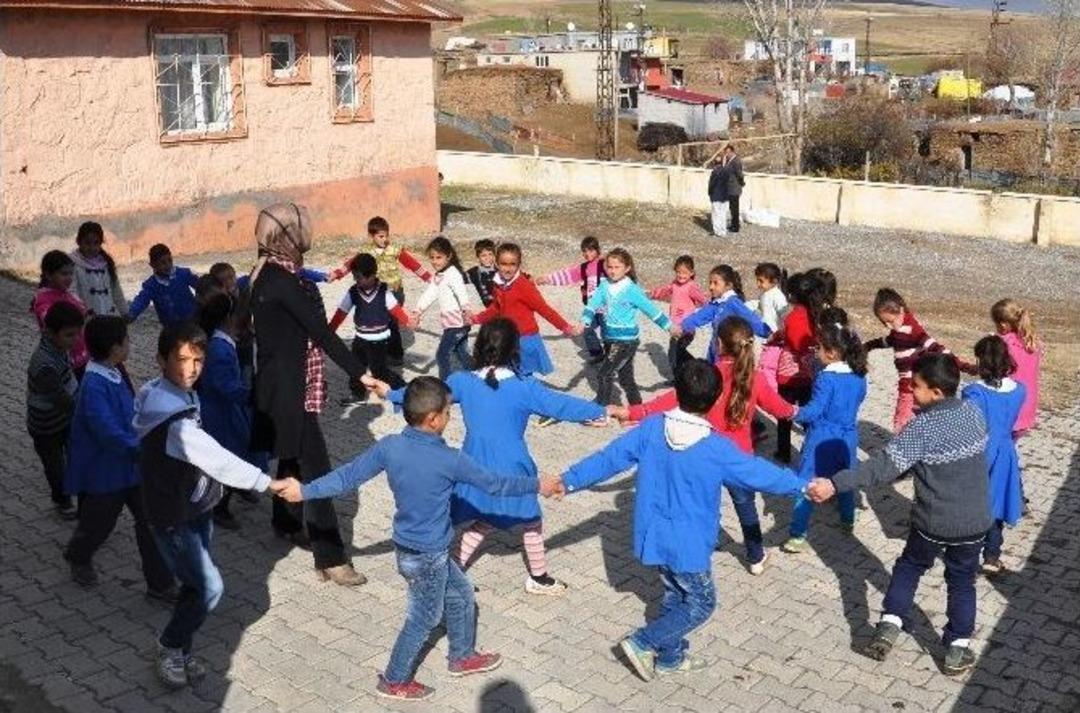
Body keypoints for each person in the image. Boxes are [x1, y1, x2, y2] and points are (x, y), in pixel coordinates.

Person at [271, 377, 553, 701]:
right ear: (434, 419)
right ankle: (394, 679)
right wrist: (536, 485)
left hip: (407, 548)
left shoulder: (389, 447)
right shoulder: (451, 460)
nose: (450, 416)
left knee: (460, 593)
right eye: (448, 411)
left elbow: (347, 476)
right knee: (424, 618)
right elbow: (495, 485)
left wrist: (304, 490)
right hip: (429, 555)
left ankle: (461, 656)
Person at [550, 359, 807, 680]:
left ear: (677, 392)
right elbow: (760, 474)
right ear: (715, 400)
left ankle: (670, 658)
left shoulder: (652, 429)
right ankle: (642, 642)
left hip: (654, 534)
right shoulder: (717, 447)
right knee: (701, 602)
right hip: (689, 543)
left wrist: (569, 480)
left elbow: (609, 459)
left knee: (675, 595)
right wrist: (803, 485)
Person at [372, 319, 610, 595]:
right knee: (530, 519)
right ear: (515, 350)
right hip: (512, 466)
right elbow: (561, 405)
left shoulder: (462, 381)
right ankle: (538, 577)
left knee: (484, 516)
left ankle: (453, 570)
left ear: (479, 346)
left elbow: (427, 394)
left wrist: (391, 393)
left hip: (473, 462)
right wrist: (601, 411)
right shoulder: (525, 386)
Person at [806, 353, 991, 676]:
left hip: (933, 521)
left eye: (915, 386)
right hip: (975, 521)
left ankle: (890, 623)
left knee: (909, 567)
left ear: (935, 392)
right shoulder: (973, 413)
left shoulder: (922, 428)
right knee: (962, 582)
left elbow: (881, 468)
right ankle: (957, 649)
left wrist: (836, 484)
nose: (910, 390)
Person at [132, 323, 273, 689]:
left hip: (195, 505)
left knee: (195, 586)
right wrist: (266, 482)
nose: (191, 369)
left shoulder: (169, 392)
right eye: (181, 360)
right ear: (161, 359)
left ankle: (181, 651)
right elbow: (216, 458)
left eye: (198, 360)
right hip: (173, 514)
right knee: (209, 587)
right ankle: (169, 645)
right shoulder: (174, 421)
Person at [615, 317, 796, 574]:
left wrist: (634, 412)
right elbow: (781, 409)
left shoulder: (707, 375)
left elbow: (669, 401)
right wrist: (801, 411)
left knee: (701, 506)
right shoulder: (755, 378)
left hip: (704, 454)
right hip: (738, 459)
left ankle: (697, 551)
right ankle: (755, 556)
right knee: (746, 508)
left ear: (718, 344)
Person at [249, 202, 366, 586]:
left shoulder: (265, 272)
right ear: (286, 237)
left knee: (292, 456)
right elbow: (322, 332)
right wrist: (361, 373)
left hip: (278, 385)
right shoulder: (284, 282)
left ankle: (284, 522)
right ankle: (330, 556)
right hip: (291, 390)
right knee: (317, 472)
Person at [62, 316, 175, 598]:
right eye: (126, 339)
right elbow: (106, 431)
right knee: (98, 524)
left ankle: (160, 584)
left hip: (131, 466)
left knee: (151, 520)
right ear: (114, 348)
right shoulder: (94, 385)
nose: (129, 343)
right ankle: (78, 555)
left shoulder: (114, 370)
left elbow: (129, 412)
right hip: (106, 472)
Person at [781, 317, 868, 553]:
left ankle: (798, 534)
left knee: (807, 483)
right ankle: (847, 519)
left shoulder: (826, 378)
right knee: (846, 479)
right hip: (848, 436)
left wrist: (793, 412)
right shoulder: (859, 377)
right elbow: (860, 399)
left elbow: (815, 410)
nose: (815, 350)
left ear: (830, 353)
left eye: (818, 347)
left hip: (821, 437)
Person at [196, 293, 264, 531]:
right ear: (228, 318)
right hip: (221, 413)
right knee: (228, 460)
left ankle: (239, 489)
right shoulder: (219, 348)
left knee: (239, 454)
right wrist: (252, 396)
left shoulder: (222, 341)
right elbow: (225, 386)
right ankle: (220, 507)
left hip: (227, 409)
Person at [327, 216, 432, 365]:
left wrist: (429, 278)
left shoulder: (394, 249)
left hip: (395, 292)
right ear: (372, 236)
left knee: (391, 322)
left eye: (386, 235)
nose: (384, 239)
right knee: (379, 322)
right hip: (375, 293)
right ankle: (377, 352)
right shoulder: (366, 251)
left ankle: (395, 355)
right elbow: (351, 264)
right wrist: (337, 274)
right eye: (381, 236)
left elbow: (412, 264)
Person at [961, 336, 1024, 575]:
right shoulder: (1019, 391)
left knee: (975, 502)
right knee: (997, 505)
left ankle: (967, 550)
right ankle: (992, 555)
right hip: (1006, 452)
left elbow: (970, 426)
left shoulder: (973, 393)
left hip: (980, 451)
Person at [471, 242, 581, 378]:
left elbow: (545, 310)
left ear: (519, 264)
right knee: (509, 373)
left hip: (525, 339)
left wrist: (565, 327)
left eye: (513, 264)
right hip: (507, 338)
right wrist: (476, 318)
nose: (508, 268)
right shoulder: (498, 283)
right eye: (504, 264)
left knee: (524, 375)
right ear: (497, 264)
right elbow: (495, 308)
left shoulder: (524, 286)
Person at [581, 248, 674, 406]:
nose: (612, 271)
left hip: (626, 342)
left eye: (617, 267)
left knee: (604, 374)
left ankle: (600, 410)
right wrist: (585, 321)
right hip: (610, 338)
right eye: (609, 267)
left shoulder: (632, 290)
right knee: (626, 378)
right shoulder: (604, 286)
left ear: (627, 268)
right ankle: (637, 409)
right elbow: (592, 304)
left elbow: (651, 310)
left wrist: (669, 326)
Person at [864, 288, 957, 434]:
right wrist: (869, 345)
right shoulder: (901, 329)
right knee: (915, 416)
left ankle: (900, 448)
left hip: (911, 385)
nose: (888, 326)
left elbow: (935, 347)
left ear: (900, 310)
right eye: (884, 323)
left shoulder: (912, 330)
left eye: (890, 321)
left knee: (903, 419)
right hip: (912, 384)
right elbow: (890, 340)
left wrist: (960, 364)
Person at [27, 302, 84, 520]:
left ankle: (75, 490)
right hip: (45, 426)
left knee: (73, 456)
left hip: (63, 418)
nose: (75, 340)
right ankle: (61, 500)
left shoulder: (59, 348)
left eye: (77, 334)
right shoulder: (44, 364)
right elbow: (61, 398)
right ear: (50, 332)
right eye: (69, 335)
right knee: (54, 466)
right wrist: (84, 410)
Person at [328, 253, 411, 400]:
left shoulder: (383, 291)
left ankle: (404, 388)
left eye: (359, 277)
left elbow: (395, 309)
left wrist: (408, 321)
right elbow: (342, 312)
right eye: (354, 276)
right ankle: (357, 394)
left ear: (372, 275)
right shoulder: (353, 292)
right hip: (360, 338)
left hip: (379, 340)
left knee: (379, 370)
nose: (355, 280)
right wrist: (329, 330)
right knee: (355, 368)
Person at [773, 272, 828, 463]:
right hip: (809, 372)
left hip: (789, 372)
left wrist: (781, 337)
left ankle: (783, 452)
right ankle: (811, 447)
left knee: (784, 414)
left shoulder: (793, 316)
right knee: (808, 413)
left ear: (792, 295)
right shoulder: (816, 315)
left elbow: (795, 343)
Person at [673, 264, 770, 364]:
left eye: (715, 283)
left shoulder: (734, 303)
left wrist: (770, 334)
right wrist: (681, 327)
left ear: (728, 285)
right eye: (710, 283)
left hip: (730, 355)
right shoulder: (716, 304)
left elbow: (753, 321)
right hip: (714, 351)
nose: (711, 287)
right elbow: (698, 317)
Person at [535, 236, 606, 363]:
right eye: (584, 251)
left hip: (608, 310)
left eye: (591, 250)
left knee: (609, 335)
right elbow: (566, 275)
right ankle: (597, 354)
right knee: (587, 329)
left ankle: (613, 358)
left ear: (598, 250)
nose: (587, 254)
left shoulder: (606, 264)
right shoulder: (583, 268)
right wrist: (547, 279)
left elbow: (621, 273)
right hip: (591, 309)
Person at [412, 236, 473, 380]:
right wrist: (418, 310)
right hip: (451, 324)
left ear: (449, 256)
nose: (435, 261)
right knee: (461, 353)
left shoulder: (453, 274)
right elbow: (430, 293)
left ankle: (445, 386)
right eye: (432, 258)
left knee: (442, 354)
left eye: (439, 257)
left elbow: (461, 292)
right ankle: (475, 376)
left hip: (458, 324)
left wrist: (466, 310)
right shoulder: (439, 275)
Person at [647, 255, 708, 378]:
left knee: (674, 354)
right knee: (676, 353)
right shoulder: (674, 284)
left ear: (691, 273)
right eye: (678, 272)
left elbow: (703, 300)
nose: (681, 275)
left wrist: (708, 310)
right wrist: (652, 294)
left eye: (684, 273)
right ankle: (684, 375)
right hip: (675, 327)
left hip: (687, 328)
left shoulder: (691, 287)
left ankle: (690, 374)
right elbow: (664, 291)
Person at [31, 250, 89, 375]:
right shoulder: (43, 299)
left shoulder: (69, 294)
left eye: (71, 274)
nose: (69, 278)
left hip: (82, 355)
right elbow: (54, 322)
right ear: (48, 275)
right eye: (64, 274)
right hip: (63, 361)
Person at [990, 298, 1040, 439]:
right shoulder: (1032, 342)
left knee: (999, 448)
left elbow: (994, 371)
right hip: (1027, 407)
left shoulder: (1003, 344)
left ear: (1003, 325)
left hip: (1009, 409)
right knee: (1010, 447)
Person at [127, 244, 199, 329]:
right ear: (152, 265)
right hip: (171, 327)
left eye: (170, 260)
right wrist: (131, 313)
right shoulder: (151, 285)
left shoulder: (183, 274)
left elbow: (201, 285)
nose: (168, 265)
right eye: (163, 263)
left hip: (194, 321)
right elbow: (141, 300)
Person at [69, 221, 127, 318]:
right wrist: (81, 313)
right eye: (87, 243)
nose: (92, 248)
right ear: (78, 242)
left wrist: (124, 312)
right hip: (87, 319)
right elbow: (72, 291)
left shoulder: (106, 263)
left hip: (110, 317)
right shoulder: (72, 263)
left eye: (96, 243)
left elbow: (116, 290)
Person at [752, 262, 789, 394]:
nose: (758, 284)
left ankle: (771, 393)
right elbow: (760, 311)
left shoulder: (777, 296)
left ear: (773, 281)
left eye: (761, 281)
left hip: (775, 338)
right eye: (757, 280)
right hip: (764, 337)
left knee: (769, 368)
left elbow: (784, 314)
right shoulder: (764, 294)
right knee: (761, 365)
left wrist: (782, 332)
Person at [464, 239, 498, 307]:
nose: (487, 258)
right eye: (483, 255)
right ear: (478, 257)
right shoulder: (470, 274)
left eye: (490, 254)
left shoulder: (501, 272)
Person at [721, 144, 745, 233]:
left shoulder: (736, 161)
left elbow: (739, 174)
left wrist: (741, 183)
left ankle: (736, 226)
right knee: (732, 208)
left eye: (728, 152)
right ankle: (733, 224)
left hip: (734, 188)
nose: (726, 154)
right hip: (730, 188)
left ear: (732, 152)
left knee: (735, 208)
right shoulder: (729, 161)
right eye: (725, 153)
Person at [707, 156, 730, 238]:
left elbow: (711, 185)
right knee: (723, 214)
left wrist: (710, 194)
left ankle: (717, 232)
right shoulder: (727, 172)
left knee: (716, 214)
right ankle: (723, 231)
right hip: (726, 197)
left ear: (714, 164)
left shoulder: (715, 172)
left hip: (716, 196)